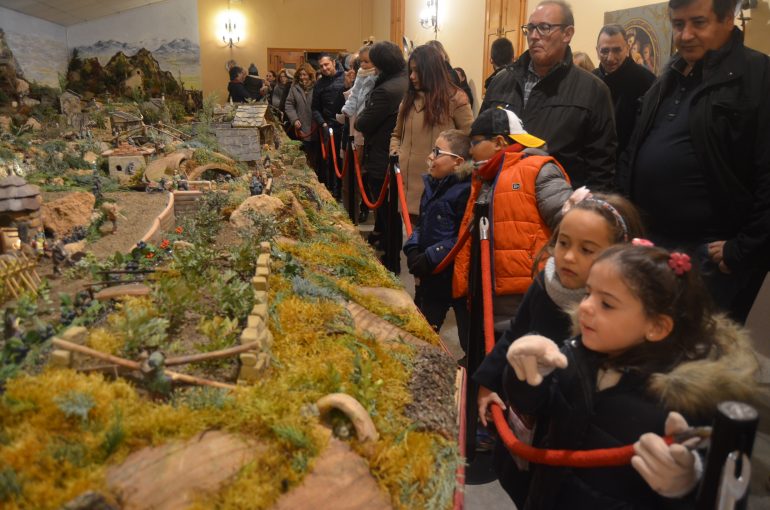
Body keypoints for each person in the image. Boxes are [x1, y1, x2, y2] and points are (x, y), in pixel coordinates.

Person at [501, 243, 758, 508]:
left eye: (607, 304)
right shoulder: (577, 354)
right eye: (588, 292)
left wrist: (686, 484)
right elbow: (537, 409)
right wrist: (528, 376)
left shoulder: (684, 404)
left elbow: (720, 489)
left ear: (657, 326)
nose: (585, 306)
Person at [473, 191, 645, 505]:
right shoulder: (546, 284)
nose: (567, 257)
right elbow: (516, 332)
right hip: (528, 411)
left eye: (587, 249)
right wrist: (487, 381)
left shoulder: (619, 316)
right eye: (563, 243)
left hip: (571, 431)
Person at [618, 0, 770, 324]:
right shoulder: (670, 74)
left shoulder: (758, 76)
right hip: (653, 246)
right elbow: (633, 150)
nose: (685, 35)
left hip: (711, 257)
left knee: (699, 362)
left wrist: (742, 249)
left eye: (698, 23)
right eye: (677, 24)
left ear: (728, 19)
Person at [452, 107, 573, 349]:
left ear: (498, 142)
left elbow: (571, 224)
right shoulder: (486, 175)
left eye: (475, 143)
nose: (470, 151)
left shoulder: (538, 170)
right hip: (490, 300)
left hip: (527, 302)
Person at [481, 0, 617, 191]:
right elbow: (479, 140)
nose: (534, 36)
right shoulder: (501, 81)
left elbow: (600, 171)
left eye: (544, 28)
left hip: (554, 208)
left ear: (567, 34)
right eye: (530, 28)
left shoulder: (593, 90)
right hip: (498, 203)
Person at [390, 44, 473, 220]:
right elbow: (396, 135)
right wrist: (396, 152)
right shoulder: (408, 100)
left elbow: (469, 141)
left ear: (431, 71)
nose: (412, 77)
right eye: (410, 71)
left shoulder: (455, 99)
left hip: (439, 190)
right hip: (405, 186)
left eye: (417, 71)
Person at [403, 130, 472, 335]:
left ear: (457, 162)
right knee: (421, 329)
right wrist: (413, 248)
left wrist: (433, 255)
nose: (431, 157)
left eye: (438, 152)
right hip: (430, 274)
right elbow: (422, 223)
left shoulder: (467, 191)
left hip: (454, 275)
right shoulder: (433, 184)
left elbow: (463, 236)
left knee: (468, 336)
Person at [355, 41, 408, 258]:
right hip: (395, 151)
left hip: (381, 153)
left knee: (386, 208)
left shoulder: (386, 90)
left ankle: (390, 251)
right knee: (388, 208)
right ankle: (386, 239)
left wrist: (360, 116)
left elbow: (363, 123)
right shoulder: (405, 81)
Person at [593, 24, 656, 157]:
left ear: (627, 49)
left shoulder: (647, 81)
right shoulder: (590, 80)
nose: (610, 58)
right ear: (597, 51)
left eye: (617, 50)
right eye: (604, 51)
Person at [312, 54, 346, 197]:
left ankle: (345, 193)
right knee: (331, 162)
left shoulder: (345, 78)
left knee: (345, 163)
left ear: (333, 63)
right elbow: (315, 108)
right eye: (321, 66)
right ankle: (333, 192)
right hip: (329, 127)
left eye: (326, 64)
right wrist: (323, 123)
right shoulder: (319, 84)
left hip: (346, 127)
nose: (324, 68)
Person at [285, 64, 318, 169]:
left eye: (304, 74)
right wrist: (294, 119)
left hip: (316, 125)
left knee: (316, 155)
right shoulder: (294, 87)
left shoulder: (317, 86)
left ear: (310, 75)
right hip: (302, 125)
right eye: (300, 75)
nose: (302, 77)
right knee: (304, 153)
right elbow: (289, 104)